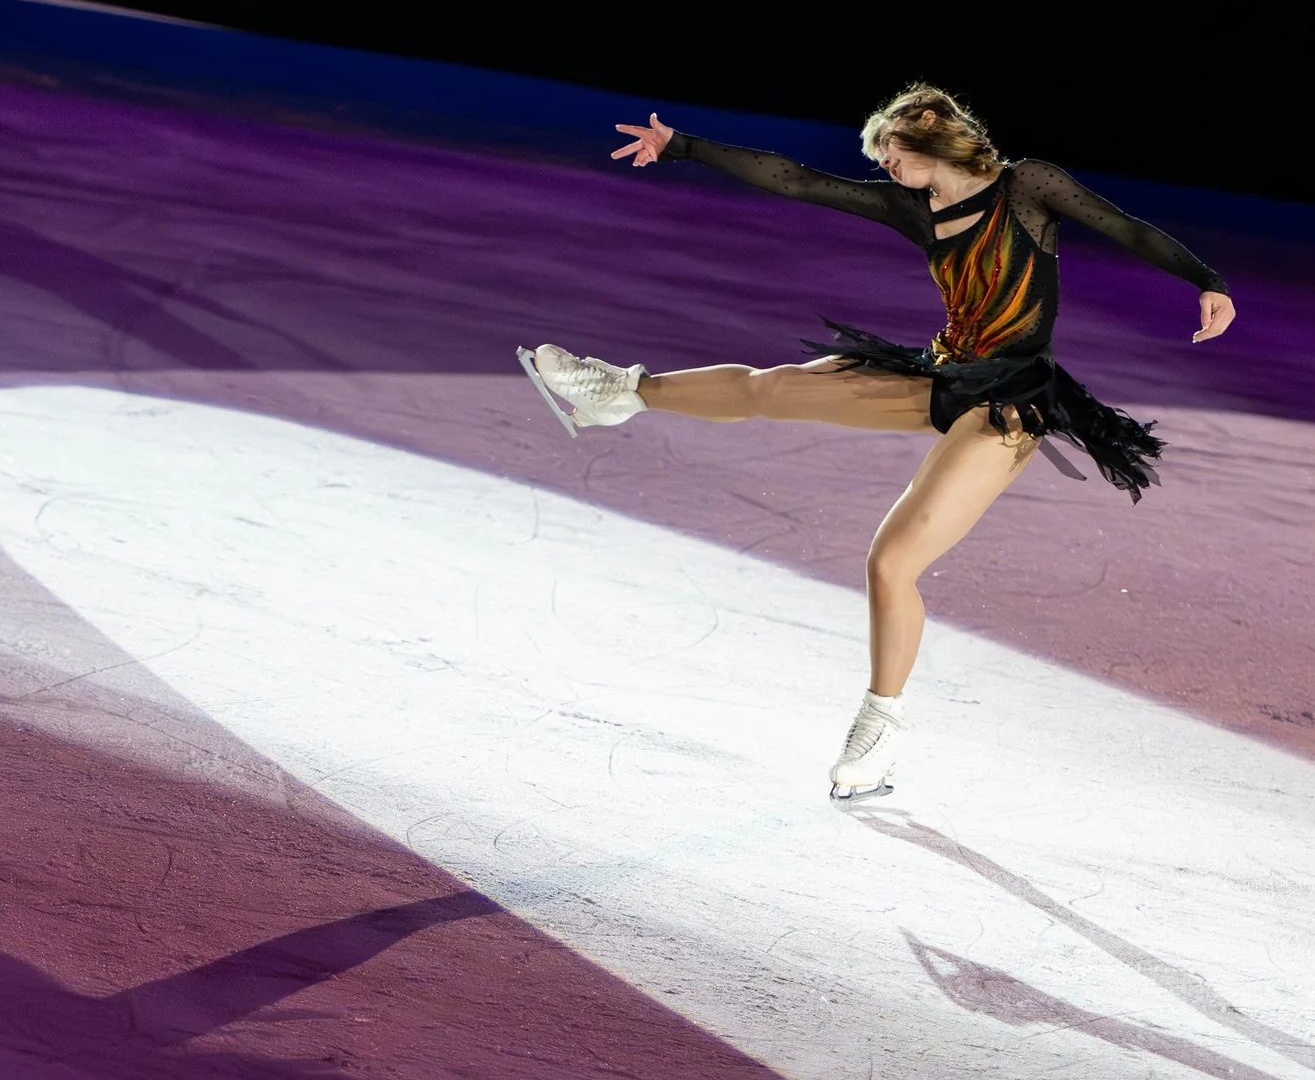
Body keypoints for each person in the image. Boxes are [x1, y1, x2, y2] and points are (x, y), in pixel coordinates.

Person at [518, 85, 1234, 801]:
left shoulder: (1027, 187)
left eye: (886, 147)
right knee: (775, 388)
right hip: (942, 375)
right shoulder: (914, 209)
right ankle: (621, 393)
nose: (882, 163)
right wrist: (683, 146)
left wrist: (1206, 280)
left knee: (891, 563)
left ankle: (880, 726)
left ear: (926, 125)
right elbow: (799, 181)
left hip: (1010, 402)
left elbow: (1124, 227)